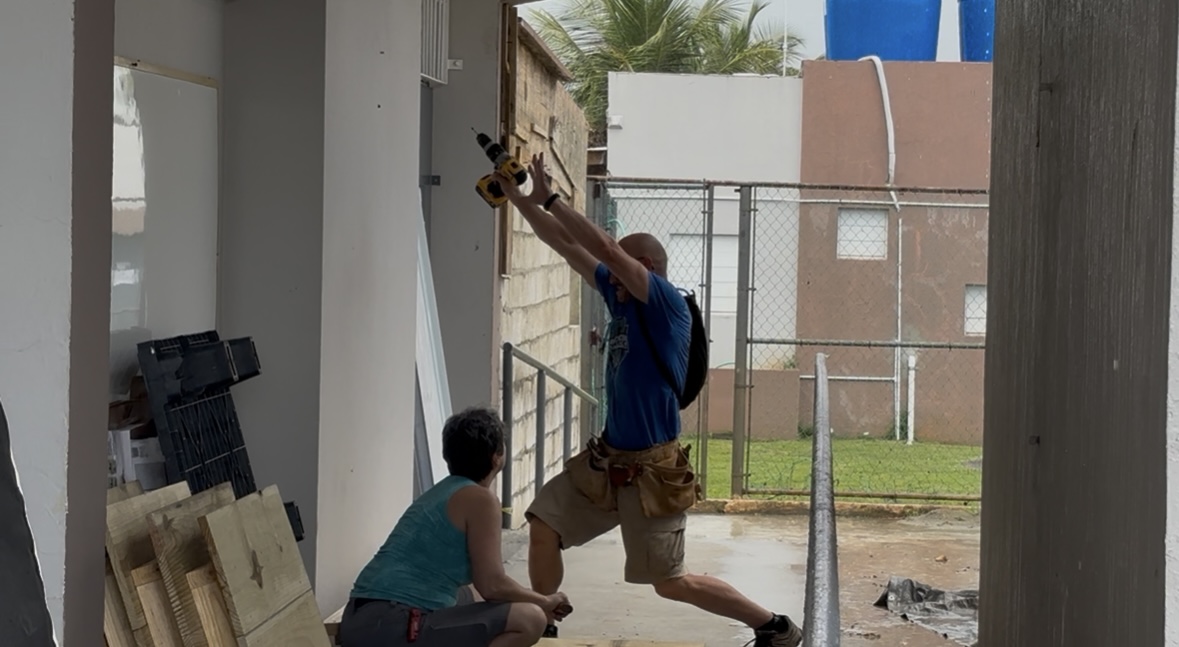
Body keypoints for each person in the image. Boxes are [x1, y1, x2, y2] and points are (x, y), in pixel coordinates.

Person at [499, 155, 804, 647]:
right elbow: (564, 242)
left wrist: (552, 198)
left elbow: (598, 244)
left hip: (653, 471)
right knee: (544, 523)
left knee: (670, 583)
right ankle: (544, 615)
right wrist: (520, 200)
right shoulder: (619, 296)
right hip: (607, 461)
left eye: (620, 264)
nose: (608, 272)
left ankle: (774, 626)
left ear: (644, 268)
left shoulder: (664, 303)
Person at [339, 406, 573, 647]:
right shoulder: (481, 500)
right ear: (497, 457)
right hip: (393, 625)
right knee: (530, 619)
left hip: (363, 619)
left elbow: (487, 586)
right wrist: (543, 602)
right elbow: (493, 585)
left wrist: (536, 598)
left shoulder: (444, 491)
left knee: (469, 595)